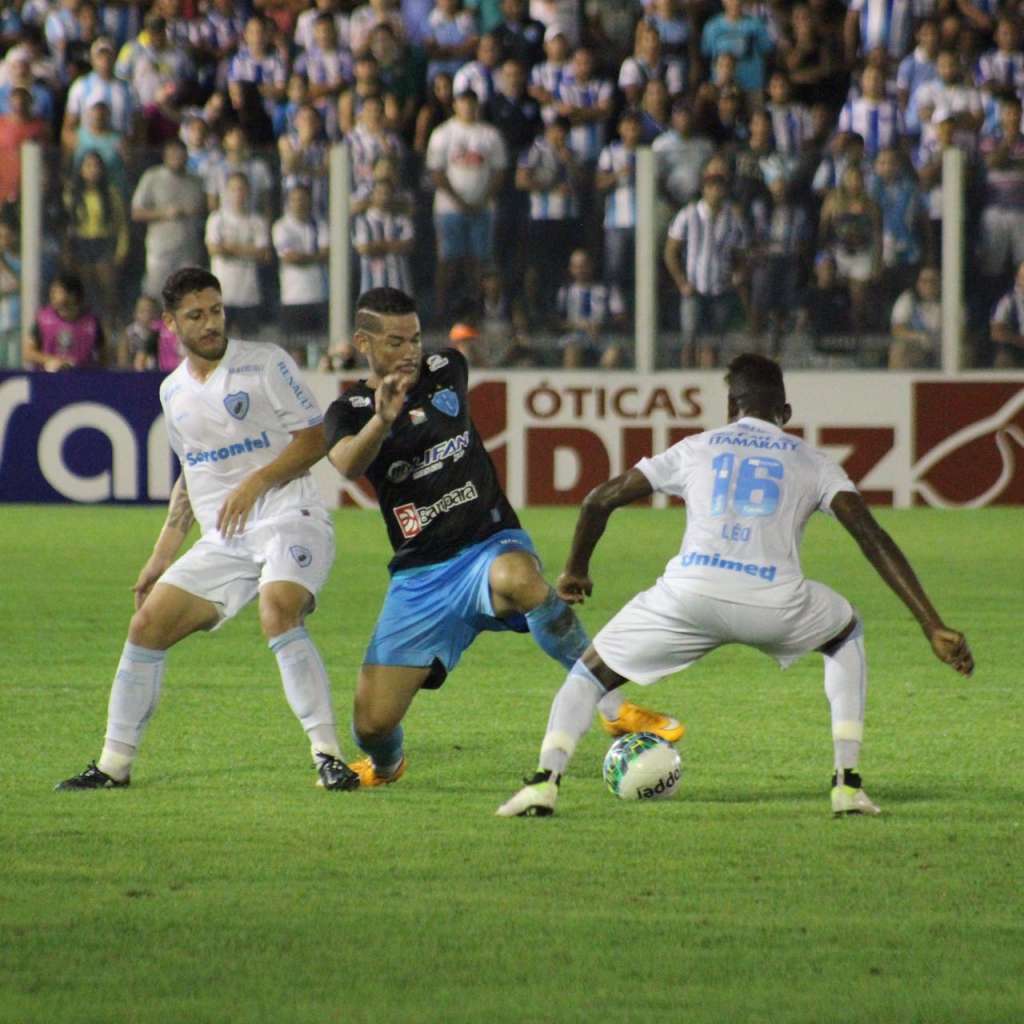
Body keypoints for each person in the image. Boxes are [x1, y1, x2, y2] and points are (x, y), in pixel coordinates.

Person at [497, 353, 974, 818]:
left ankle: (544, 782)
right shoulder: (814, 462)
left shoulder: (697, 447)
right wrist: (931, 623)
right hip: (776, 603)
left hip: (689, 597)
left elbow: (599, 500)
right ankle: (847, 783)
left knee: (588, 674)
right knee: (844, 631)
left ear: (731, 409)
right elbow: (871, 537)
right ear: (784, 413)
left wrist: (575, 570)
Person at [323, 286, 681, 787]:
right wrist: (382, 420)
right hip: (421, 575)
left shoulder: (447, 369)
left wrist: (402, 410)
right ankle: (387, 767)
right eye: (395, 343)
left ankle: (612, 705)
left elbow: (431, 418)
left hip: (488, 544)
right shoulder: (350, 409)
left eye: (416, 339)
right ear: (363, 342)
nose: (410, 353)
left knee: (519, 576)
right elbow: (345, 464)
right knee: (372, 724)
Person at [55, 267, 358, 792]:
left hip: (290, 518)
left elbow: (316, 439)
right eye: (196, 316)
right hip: (224, 539)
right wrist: (161, 555)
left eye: (216, 311)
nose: (211, 323)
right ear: (171, 323)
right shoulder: (173, 392)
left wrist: (256, 482)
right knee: (146, 627)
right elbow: (191, 479)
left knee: (277, 610)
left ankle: (328, 755)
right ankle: (113, 765)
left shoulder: (265, 364)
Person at [23, 273, 105, 371]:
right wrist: (51, 360)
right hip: (47, 379)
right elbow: (28, 353)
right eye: (52, 291)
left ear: (73, 295)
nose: (52, 295)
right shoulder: (43, 319)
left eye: (58, 291)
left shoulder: (92, 322)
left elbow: (103, 355)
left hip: (82, 380)